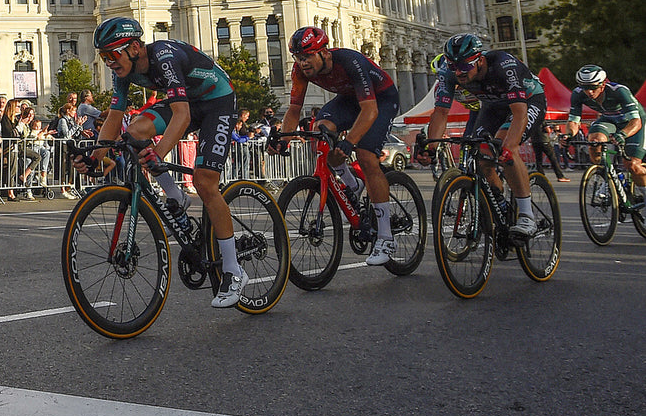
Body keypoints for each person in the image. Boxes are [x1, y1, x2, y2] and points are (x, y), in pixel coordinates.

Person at [77, 18, 246, 308]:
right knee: (134, 131)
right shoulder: (123, 72)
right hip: (188, 103)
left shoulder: (163, 57)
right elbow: (115, 118)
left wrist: (161, 154)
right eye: (103, 57)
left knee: (205, 182)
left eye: (112, 55)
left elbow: (181, 116)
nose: (109, 63)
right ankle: (175, 195)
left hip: (216, 101)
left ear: (133, 47)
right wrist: (95, 157)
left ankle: (233, 270)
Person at [271, 26, 404, 266]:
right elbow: (293, 110)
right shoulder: (300, 71)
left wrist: (349, 142)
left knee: (365, 155)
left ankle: (385, 237)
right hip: (349, 100)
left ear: (325, 53)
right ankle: (352, 184)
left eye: (308, 56)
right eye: (298, 57)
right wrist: (283, 139)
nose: (303, 63)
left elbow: (370, 110)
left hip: (380, 99)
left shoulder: (350, 61)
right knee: (321, 129)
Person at [416, 33, 544, 239]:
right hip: (493, 106)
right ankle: (500, 204)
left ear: (480, 60)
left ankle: (527, 217)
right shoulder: (448, 74)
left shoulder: (504, 65)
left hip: (527, 102)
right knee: (481, 154)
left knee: (506, 149)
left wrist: (509, 146)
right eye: (453, 66)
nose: (458, 72)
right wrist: (430, 147)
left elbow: (519, 113)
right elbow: (440, 112)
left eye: (465, 66)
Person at [567, 64, 644, 198]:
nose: (589, 92)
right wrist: (567, 135)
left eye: (593, 87)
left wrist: (623, 134)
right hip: (609, 120)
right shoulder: (578, 94)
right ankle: (609, 177)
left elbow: (636, 122)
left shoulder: (619, 91)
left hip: (634, 122)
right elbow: (573, 121)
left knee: (632, 165)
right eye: (585, 87)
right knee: (594, 142)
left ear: (603, 84)